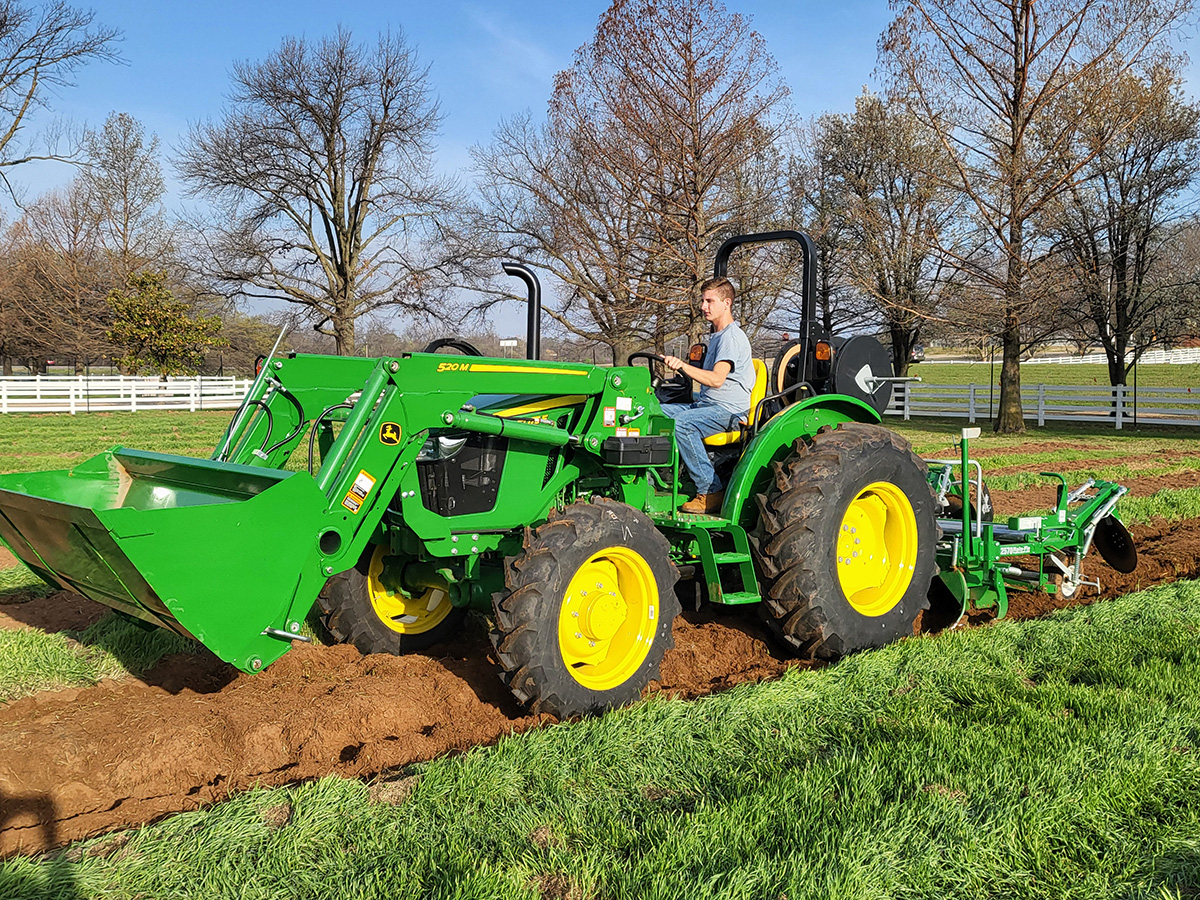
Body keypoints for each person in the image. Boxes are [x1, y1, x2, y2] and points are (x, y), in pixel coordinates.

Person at [660, 277, 755, 514]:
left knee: (683, 424)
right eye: (703, 300)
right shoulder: (717, 336)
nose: (703, 306)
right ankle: (659, 479)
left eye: (709, 301)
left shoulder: (731, 337)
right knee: (653, 411)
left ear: (727, 303)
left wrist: (681, 365)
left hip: (729, 411)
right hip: (707, 405)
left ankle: (710, 490)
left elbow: (716, 379)